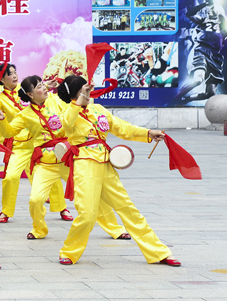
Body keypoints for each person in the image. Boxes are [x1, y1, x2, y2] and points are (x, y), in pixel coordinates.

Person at [55, 76, 180, 267]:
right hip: (85, 166)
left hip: (106, 164)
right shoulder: (67, 112)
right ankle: (69, 251)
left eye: (89, 90)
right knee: (87, 214)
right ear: (76, 93)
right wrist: (78, 102)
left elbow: (122, 128)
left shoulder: (98, 110)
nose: (89, 93)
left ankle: (158, 252)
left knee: (128, 209)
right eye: (85, 90)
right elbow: (66, 126)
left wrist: (148, 133)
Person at [0, 76, 131, 242]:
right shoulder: (25, 115)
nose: (44, 88)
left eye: (43, 84)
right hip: (46, 164)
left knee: (93, 194)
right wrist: (1, 121)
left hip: (69, 159)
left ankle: (115, 229)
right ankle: (39, 229)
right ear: (30, 95)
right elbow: (8, 132)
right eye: (39, 86)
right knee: (36, 199)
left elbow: (75, 110)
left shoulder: (57, 101)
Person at [0, 64, 68, 223]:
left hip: (41, 144)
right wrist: (0, 119)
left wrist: (46, 86)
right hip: (21, 145)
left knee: (51, 173)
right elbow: (8, 131)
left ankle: (61, 207)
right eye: (10, 74)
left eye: (15, 73)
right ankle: (5, 211)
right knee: (10, 177)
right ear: (2, 80)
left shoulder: (45, 96)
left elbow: (40, 92)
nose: (14, 76)